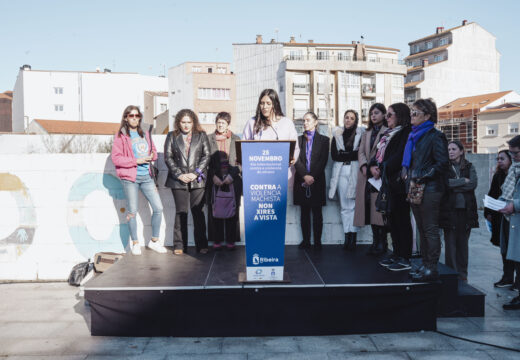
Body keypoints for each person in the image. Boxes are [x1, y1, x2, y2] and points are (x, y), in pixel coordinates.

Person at [402, 98, 449, 282]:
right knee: (421, 228)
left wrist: (424, 175)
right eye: (411, 112)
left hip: (430, 187)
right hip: (415, 186)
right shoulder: (414, 135)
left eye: (416, 113)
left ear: (427, 116)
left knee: (430, 229)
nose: (411, 115)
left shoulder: (435, 135)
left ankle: (432, 267)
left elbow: (442, 163)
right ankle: (425, 263)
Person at [111, 105, 166, 256]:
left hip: (147, 177)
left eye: (137, 115)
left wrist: (152, 155)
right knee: (132, 212)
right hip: (130, 178)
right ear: (125, 118)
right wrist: (137, 160)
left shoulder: (146, 133)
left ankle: (154, 241)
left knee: (158, 208)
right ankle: (135, 242)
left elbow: (154, 152)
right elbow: (116, 158)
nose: (134, 118)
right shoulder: (121, 135)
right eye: (131, 115)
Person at [371, 103, 413, 271]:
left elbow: (400, 155)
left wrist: (383, 167)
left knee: (402, 220)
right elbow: (379, 154)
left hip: (399, 183)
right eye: (386, 115)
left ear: (400, 115)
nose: (386, 118)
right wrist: (374, 164)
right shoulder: (388, 134)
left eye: (390, 115)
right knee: (392, 220)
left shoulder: (405, 132)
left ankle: (405, 257)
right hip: (388, 182)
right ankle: (396, 253)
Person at [164, 109, 210, 255]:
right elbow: (168, 157)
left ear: (193, 122)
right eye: (183, 122)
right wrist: (179, 175)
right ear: (178, 122)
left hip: (198, 180)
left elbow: (206, 156)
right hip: (178, 181)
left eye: (189, 122)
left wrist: (196, 173)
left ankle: (202, 244)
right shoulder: (172, 136)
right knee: (181, 212)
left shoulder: (201, 135)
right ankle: (179, 245)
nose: (186, 125)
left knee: (198, 212)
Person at [242, 89, 300, 183]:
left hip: (283, 177)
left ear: (275, 104)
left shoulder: (287, 123)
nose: (264, 107)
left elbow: (295, 149)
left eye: (268, 103)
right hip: (258, 178)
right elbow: (244, 148)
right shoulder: (252, 123)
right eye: (262, 103)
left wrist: (292, 158)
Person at [440, 140, 478, 281]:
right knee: (450, 246)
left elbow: (473, 184)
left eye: (453, 149)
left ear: (461, 151)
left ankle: (463, 276)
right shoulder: (444, 168)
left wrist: (454, 186)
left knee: (463, 246)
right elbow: (445, 184)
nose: (450, 151)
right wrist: (463, 181)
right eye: (448, 149)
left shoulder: (469, 166)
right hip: (449, 211)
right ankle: (451, 276)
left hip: (466, 212)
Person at [354, 103, 388, 255]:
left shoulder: (388, 132)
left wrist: (377, 168)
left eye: (376, 113)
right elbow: (361, 152)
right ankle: (375, 241)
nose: (373, 116)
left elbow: (386, 153)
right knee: (368, 208)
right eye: (371, 113)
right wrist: (364, 167)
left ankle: (382, 242)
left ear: (383, 114)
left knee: (379, 209)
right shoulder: (366, 132)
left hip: (380, 175)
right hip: (366, 175)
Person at [294, 112, 329, 250]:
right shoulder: (298, 140)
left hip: (317, 180)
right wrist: (304, 176)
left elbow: (323, 161)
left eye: (308, 120)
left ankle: (318, 242)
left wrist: (312, 176)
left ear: (315, 122)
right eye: (304, 120)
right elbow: (296, 160)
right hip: (301, 181)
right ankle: (306, 241)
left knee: (317, 213)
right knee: (304, 212)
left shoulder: (325, 140)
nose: (305, 123)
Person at [206, 112, 242, 250]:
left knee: (233, 210)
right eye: (218, 122)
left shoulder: (236, 139)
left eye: (223, 123)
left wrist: (231, 176)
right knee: (215, 210)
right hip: (215, 180)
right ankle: (217, 239)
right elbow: (205, 162)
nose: (220, 125)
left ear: (228, 124)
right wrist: (213, 176)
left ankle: (231, 240)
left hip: (232, 180)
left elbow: (240, 161)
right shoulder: (208, 139)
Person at [329, 110, 364, 250]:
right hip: (341, 171)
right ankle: (347, 236)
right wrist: (349, 155)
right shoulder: (337, 134)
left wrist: (345, 154)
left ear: (356, 121)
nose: (348, 120)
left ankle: (353, 237)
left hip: (355, 172)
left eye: (351, 118)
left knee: (354, 206)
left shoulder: (361, 134)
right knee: (344, 207)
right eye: (346, 117)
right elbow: (334, 156)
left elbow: (359, 154)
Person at [484, 150, 515, 288]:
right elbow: (492, 194)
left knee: (515, 249)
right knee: (504, 248)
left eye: (502, 158)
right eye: (498, 159)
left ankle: (517, 281)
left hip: (514, 216)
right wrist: (488, 213)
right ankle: (507, 277)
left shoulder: (515, 174)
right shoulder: (498, 176)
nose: (499, 161)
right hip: (500, 216)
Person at [500, 135, 520, 309]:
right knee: (515, 258)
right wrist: (501, 202)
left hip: (516, 216)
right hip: (513, 218)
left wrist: (515, 205)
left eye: (515, 153)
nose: (513, 156)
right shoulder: (515, 168)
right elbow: (508, 190)